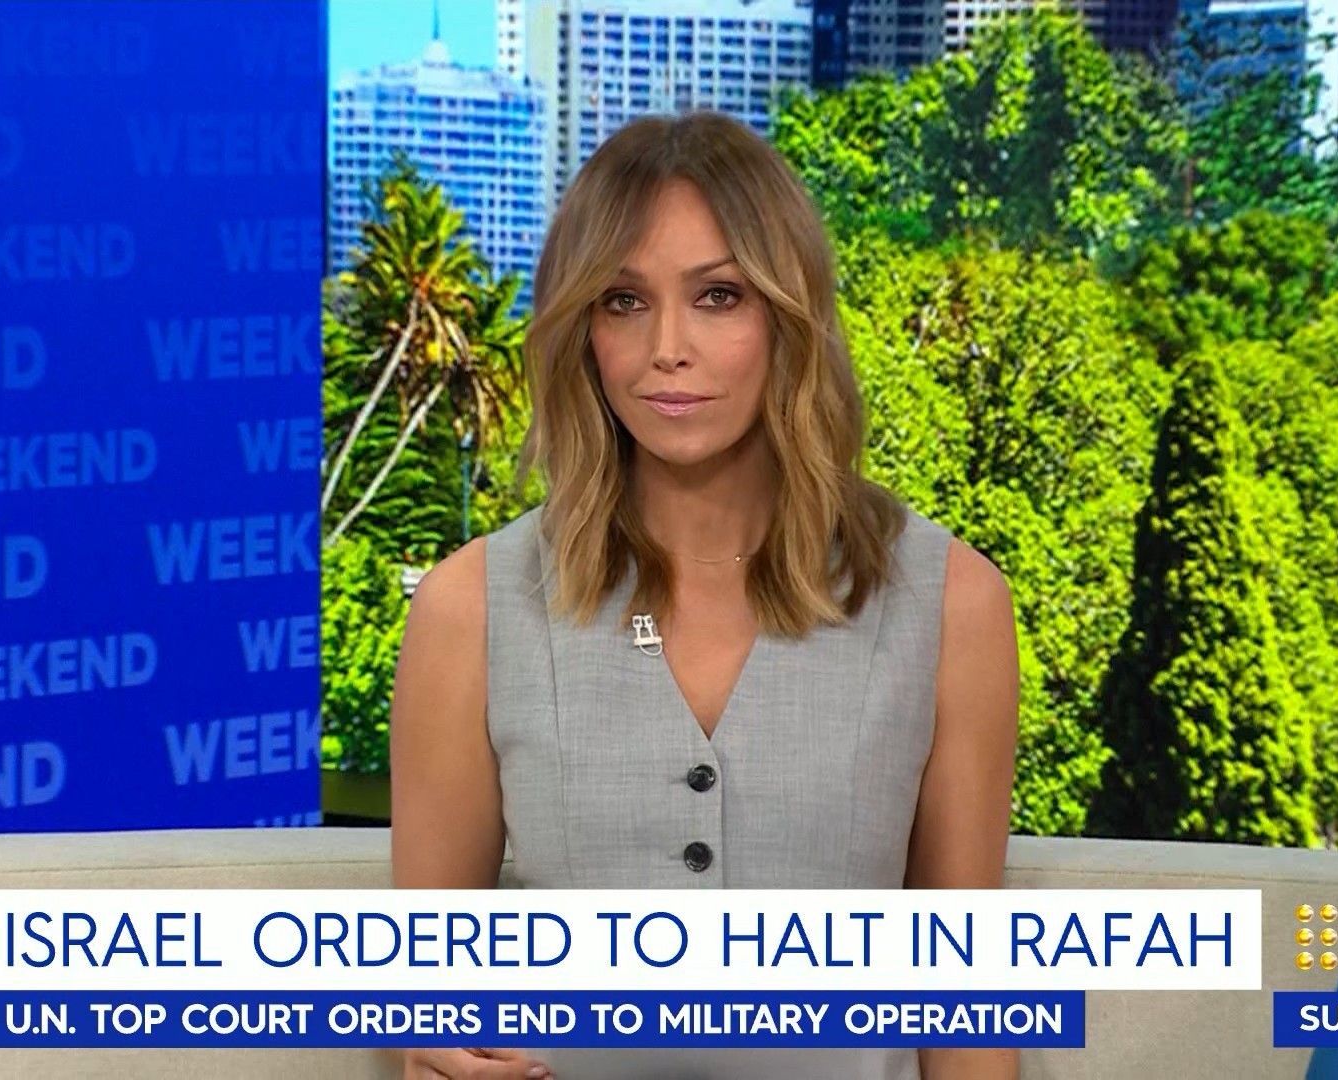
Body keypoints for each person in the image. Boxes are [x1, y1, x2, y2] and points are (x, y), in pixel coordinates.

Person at [390, 110, 1021, 1080]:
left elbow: (968, 1017)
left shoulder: (950, 602)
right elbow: (426, 1005)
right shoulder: (469, 609)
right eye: (623, 301)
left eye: (719, 296)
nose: (667, 348)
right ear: (583, 331)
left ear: (788, 316)